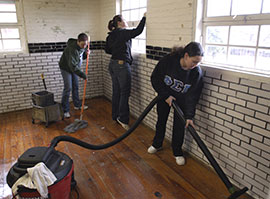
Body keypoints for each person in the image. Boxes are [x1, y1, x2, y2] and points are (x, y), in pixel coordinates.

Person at [148, 42, 204, 166]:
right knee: (161, 120)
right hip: (165, 96)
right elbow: (155, 78)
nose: (196, 65)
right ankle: (157, 144)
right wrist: (165, 95)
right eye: (194, 61)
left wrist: (189, 116)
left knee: (179, 127)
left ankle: (177, 152)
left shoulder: (196, 73)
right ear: (186, 56)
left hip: (182, 101)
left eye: (199, 62)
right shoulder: (169, 61)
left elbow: (193, 96)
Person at [105, 13, 146, 130]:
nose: (126, 22)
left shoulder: (111, 35)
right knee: (124, 93)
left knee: (117, 91)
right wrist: (144, 18)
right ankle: (123, 119)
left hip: (112, 64)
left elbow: (107, 50)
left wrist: (118, 50)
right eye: (124, 20)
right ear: (119, 23)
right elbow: (137, 31)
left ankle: (115, 115)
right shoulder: (122, 32)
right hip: (122, 65)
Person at [59, 33, 90, 118]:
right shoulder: (71, 49)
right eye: (82, 44)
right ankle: (65, 110)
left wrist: (86, 54)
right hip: (66, 68)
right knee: (68, 88)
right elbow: (72, 65)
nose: (84, 46)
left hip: (74, 68)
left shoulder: (84, 46)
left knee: (75, 86)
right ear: (78, 41)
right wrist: (83, 75)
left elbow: (80, 57)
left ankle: (77, 105)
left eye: (86, 44)